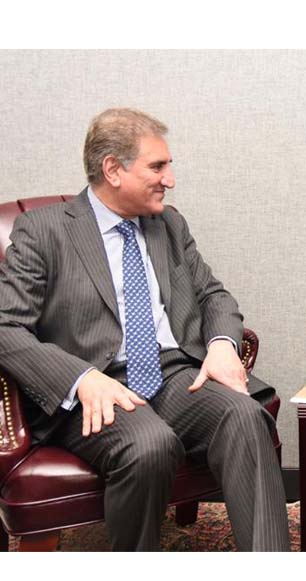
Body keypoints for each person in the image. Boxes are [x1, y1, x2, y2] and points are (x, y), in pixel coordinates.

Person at [0, 108, 289, 551]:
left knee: (247, 418)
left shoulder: (168, 224)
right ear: (113, 169)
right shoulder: (44, 231)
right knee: (149, 445)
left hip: (173, 375)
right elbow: (7, 326)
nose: (170, 179)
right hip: (95, 386)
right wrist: (80, 379)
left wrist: (221, 346)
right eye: (158, 166)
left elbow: (214, 295)